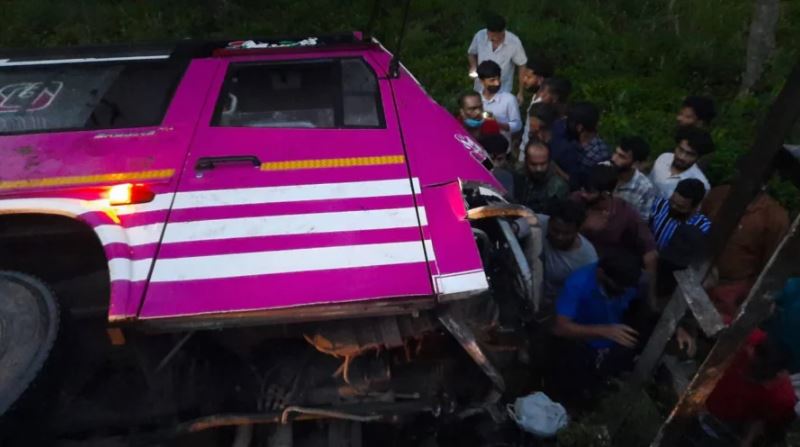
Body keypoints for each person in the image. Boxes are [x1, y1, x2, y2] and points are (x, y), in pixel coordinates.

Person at [701, 185, 789, 319]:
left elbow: (770, 263)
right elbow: (698, 223)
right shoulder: (719, 195)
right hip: (699, 273)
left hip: (733, 287)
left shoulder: (775, 217)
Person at [700, 330, 797, 447]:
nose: (750, 378)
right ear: (751, 351)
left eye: (760, 380)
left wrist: (746, 441)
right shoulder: (747, 336)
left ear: (780, 374)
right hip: (705, 397)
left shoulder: (783, 399)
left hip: (730, 420)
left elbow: (761, 420)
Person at [537, 200, 598, 306]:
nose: (559, 237)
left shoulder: (587, 260)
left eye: (566, 233)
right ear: (549, 221)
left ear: (578, 230)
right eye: (555, 230)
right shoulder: (537, 223)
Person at [467, 13, 527, 96]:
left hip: (503, 90)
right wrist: (473, 66)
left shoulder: (514, 42)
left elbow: (522, 65)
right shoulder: (480, 36)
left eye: (495, 35)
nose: (492, 37)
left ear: (503, 31)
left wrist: (521, 92)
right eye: (489, 34)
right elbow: (471, 53)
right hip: (480, 88)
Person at [649, 126, 713, 198]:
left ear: (698, 157)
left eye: (690, 154)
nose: (681, 157)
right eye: (680, 149)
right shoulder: (663, 158)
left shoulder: (701, 185)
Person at [557, 102, 610, 188]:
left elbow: (583, 186)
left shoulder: (597, 156)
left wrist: (555, 169)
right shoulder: (573, 139)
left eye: (570, 122)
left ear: (579, 128)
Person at [650, 178, 711, 251]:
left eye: (680, 207)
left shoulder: (702, 227)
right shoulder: (659, 205)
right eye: (672, 201)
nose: (673, 207)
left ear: (695, 207)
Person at [606, 136, 657, 221]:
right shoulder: (603, 168)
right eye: (615, 153)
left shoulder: (645, 189)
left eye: (621, 156)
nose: (613, 159)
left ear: (635, 164)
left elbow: (641, 222)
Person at [513, 141, 569, 214]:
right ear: (526, 161)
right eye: (533, 164)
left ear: (549, 161)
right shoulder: (517, 173)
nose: (539, 169)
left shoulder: (557, 186)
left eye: (543, 164)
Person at [476, 60, 521, 143]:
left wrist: (497, 124)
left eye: (498, 79)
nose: (497, 83)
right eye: (492, 80)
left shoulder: (509, 99)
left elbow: (517, 125)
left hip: (502, 149)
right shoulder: (476, 98)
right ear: (481, 81)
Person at [518, 57, 555, 155]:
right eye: (524, 76)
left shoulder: (544, 103)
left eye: (529, 77)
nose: (524, 80)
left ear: (540, 79)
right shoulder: (535, 95)